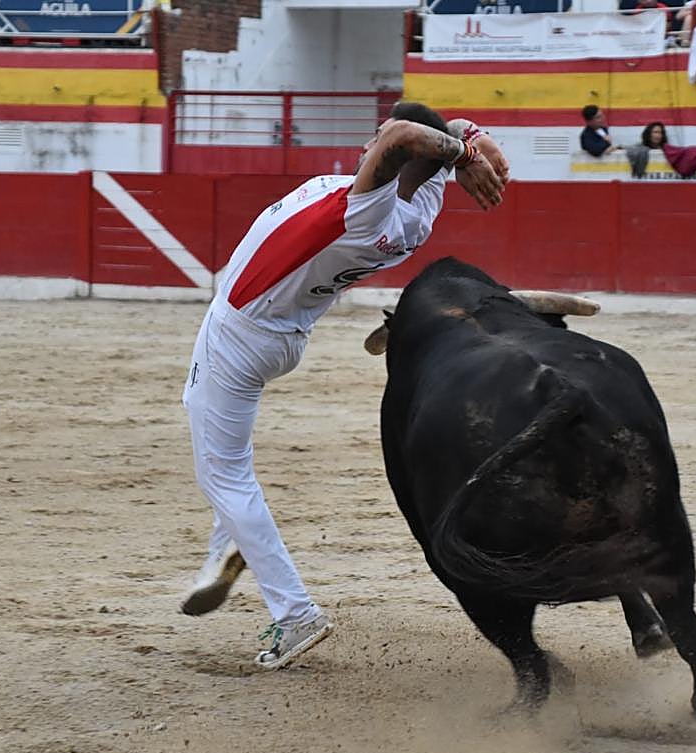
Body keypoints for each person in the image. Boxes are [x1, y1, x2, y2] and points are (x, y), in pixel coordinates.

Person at [180, 101, 510, 670]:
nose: (370, 142)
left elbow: (407, 135)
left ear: (396, 154)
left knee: (222, 470)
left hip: (240, 333)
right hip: (284, 336)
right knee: (226, 459)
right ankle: (228, 541)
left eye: (377, 137)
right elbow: (427, 138)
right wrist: (469, 143)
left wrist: (461, 152)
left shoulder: (366, 208)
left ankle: (295, 614)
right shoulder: (416, 213)